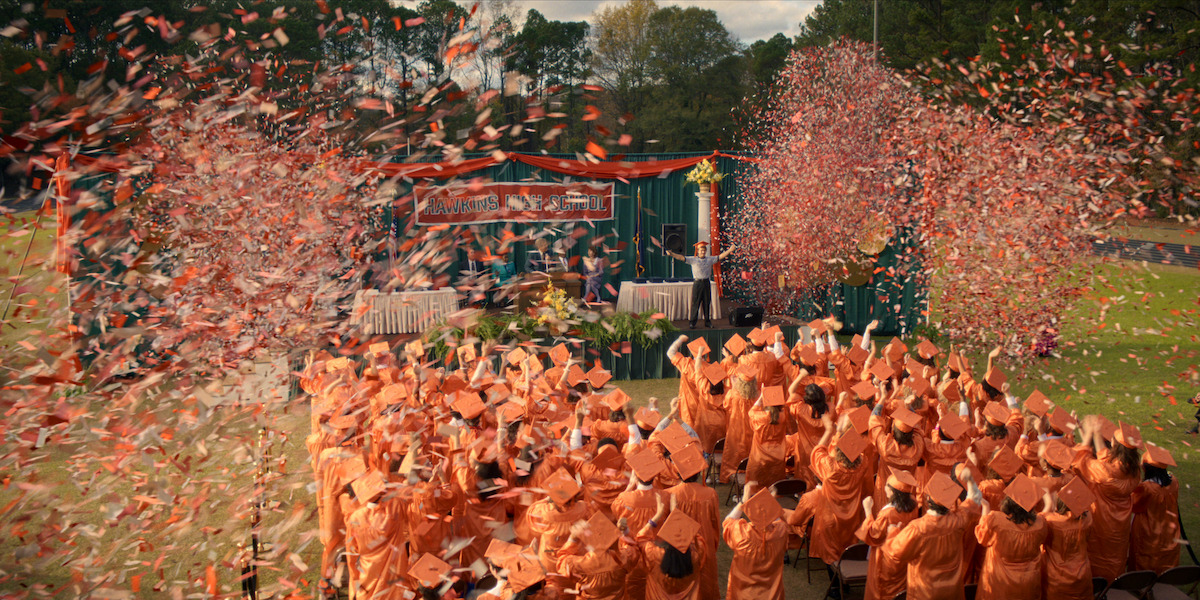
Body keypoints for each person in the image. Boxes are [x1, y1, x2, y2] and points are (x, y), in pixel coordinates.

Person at [974, 473, 1048, 600]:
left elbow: (982, 537)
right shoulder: (1040, 524)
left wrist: (985, 506)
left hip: (1000, 581)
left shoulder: (996, 520)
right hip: (1028, 581)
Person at [722, 485, 788, 600]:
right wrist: (769, 501)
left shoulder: (742, 534)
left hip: (743, 592)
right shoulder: (781, 531)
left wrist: (744, 500)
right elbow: (777, 519)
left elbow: (728, 521)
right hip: (772, 593)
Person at [1130, 443, 1181, 574]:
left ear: (1147, 469)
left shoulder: (1146, 488)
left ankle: (1143, 587)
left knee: (1145, 559)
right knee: (1165, 560)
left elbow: (1135, 506)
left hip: (1148, 529)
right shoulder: (1174, 482)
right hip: (1169, 528)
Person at [664, 240, 735, 329]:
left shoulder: (710, 259)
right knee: (695, 304)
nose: (703, 252)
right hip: (697, 284)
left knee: (706, 303)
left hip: (706, 283)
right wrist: (672, 254)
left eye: (704, 250)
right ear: (698, 251)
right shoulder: (693, 260)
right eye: (701, 250)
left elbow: (720, 257)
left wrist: (729, 250)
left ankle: (707, 322)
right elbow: (681, 258)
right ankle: (692, 322)